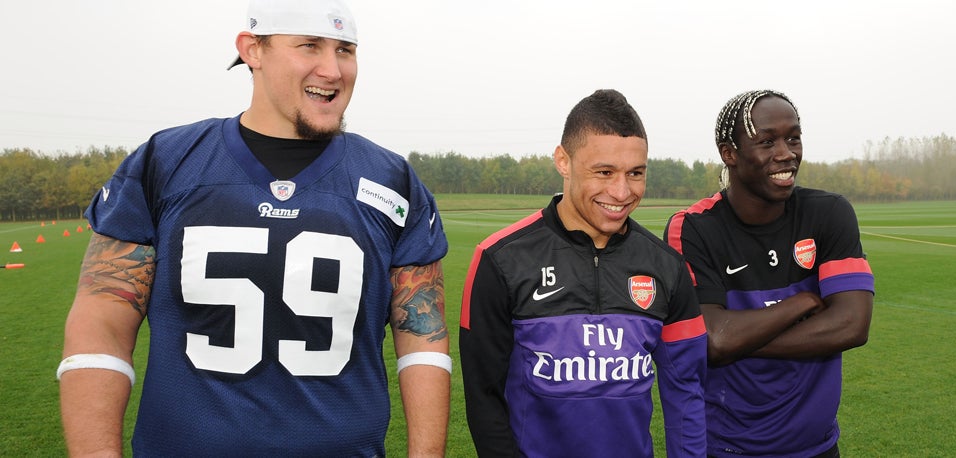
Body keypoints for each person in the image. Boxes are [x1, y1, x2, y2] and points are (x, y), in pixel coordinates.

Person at [57, 0, 451, 455]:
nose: (333, 70)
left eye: (345, 50)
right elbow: (101, 323)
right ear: (252, 50)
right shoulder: (167, 162)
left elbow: (422, 337)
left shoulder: (392, 179)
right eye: (310, 46)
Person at [460, 89, 708, 457]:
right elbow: (484, 400)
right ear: (563, 161)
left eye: (636, 173)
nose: (621, 192)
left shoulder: (666, 266)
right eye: (604, 172)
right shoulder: (500, 260)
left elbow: (686, 391)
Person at [664, 89, 874, 457]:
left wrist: (738, 339)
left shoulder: (828, 213)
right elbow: (713, 341)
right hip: (728, 449)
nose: (786, 153)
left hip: (818, 448)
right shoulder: (694, 228)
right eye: (767, 141)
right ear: (729, 153)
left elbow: (852, 325)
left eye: (793, 138)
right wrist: (802, 303)